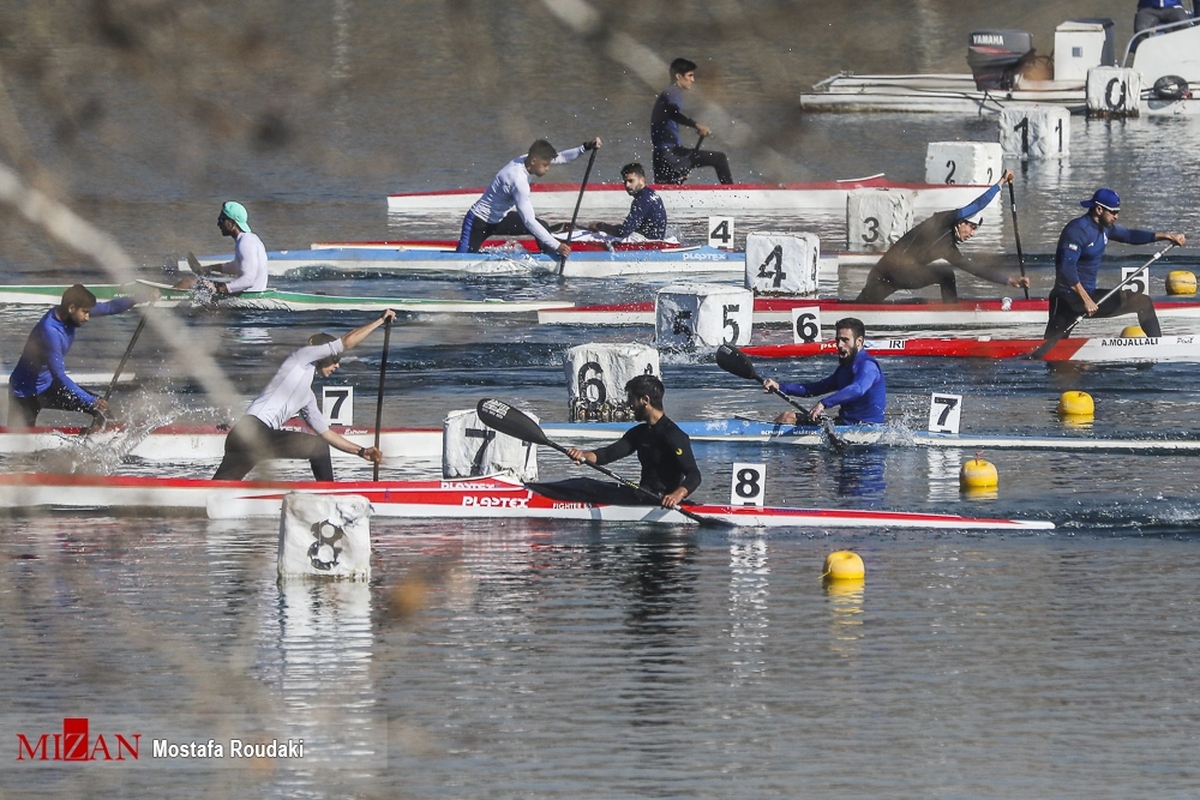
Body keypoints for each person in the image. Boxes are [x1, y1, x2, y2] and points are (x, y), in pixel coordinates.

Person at [212, 310, 396, 481]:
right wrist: (380, 320)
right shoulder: (302, 357)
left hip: (243, 437)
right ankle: (329, 497)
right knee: (316, 447)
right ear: (322, 353)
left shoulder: (307, 397)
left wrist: (361, 451)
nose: (337, 366)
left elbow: (327, 434)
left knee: (214, 491)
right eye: (334, 360)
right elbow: (347, 342)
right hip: (254, 431)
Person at [854, 169, 1031, 304]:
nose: (973, 233)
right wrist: (1000, 182)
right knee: (945, 275)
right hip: (886, 271)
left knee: (863, 306)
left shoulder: (948, 249)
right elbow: (976, 205)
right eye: (972, 227)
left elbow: (975, 268)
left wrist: (1010, 281)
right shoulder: (942, 221)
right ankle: (952, 315)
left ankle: (949, 311)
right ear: (961, 222)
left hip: (896, 274)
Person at [535, 375, 700, 509]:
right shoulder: (640, 432)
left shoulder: (674, 435)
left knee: (584, 486)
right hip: (642, 495)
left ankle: (533, 497)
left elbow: (694, 474)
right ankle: (534, 492)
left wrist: (677, 495)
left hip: (660, 501)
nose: (629, 405)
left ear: (645, 400)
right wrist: (583, 455)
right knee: (584, 483)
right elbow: (608, 454)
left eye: (631, 399)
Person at [8, 283, 157, 428]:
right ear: (72, 308)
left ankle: (106, 444)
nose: (88, 317)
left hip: (48, 386)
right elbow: (60, 376)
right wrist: (91, 399)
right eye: (85, 312)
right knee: (19, 444)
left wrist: (141, 297)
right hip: (24, 394)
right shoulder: (50, 331)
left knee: (101, 411)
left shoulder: (70, 313)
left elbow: (110, 307)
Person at [1045, 188, 1185, 339]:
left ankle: (1157, 346)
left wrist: (1167, 236)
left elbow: (1130, 235)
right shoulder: (1077, 230)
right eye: (1113, 212)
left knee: (1142, 302)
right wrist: (1086, 300)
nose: (1116, 216)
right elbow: (1066, 268)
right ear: (1099, 209)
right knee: (1051, 352)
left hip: (1090, 295)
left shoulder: (1105, 228)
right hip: (1067, 299)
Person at [456, 137, 602, 256]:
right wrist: (557, 245)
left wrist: (586, 147)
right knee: (461, 262)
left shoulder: (527, 160)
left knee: (543, 226)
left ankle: (550, 261)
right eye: (545, 165)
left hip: (499, 219)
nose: (547, 168)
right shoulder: (518, 181)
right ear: (534, 161)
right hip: (478, 222)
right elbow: (529, 222)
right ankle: (556, 252)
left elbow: (562, 157)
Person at [762, 318, 886, 426]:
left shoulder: (868, 366)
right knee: (787, 417)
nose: (839, 345)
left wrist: (823, 404)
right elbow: (816, 388)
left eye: (845, 340)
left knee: (786, 418)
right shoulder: (845, 368)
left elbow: (858, 389)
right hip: (845, 423)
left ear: (859, 341)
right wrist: (780, 387)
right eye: (838, 340)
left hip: (865, 428)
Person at [650, 58, 733, 185]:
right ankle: (732, 195)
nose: (693, 80)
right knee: (719, 158)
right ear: (678, 76)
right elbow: (673, 113)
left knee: (666, 193)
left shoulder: (666, 93)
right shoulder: (674, 92)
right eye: (690, 76)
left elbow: (668, 115)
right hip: (672, 153)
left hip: (660, 156)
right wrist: (697, 125)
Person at [182, 201, 268, 295]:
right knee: (194, 283)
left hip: (249, 296)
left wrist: (219, 289)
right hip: (250, 292)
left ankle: (167, 299)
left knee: (186, 282)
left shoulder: (245, 243)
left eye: (222, 220)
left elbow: (248, 280)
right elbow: (237, 266)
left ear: (232, 223)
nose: (218, 224)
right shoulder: (250, 238)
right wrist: (209, 268)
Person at [586, 163, 667, 241]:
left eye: (631, 181)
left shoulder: (642, 200)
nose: (627, 185)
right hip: (655, 240)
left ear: (642, 180)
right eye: (625, 182)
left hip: (648, 244)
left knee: (594, 237)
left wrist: (599, 226)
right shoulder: (651, 193)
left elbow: (622, 232)